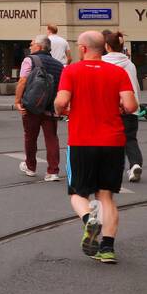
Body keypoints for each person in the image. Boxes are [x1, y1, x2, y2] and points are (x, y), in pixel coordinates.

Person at [54, 31, 137, 264]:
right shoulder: (118, 72)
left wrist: (62, 110)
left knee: (77, 192)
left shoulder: (71, 71)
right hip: (113, 141)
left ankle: (89, 219)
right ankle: (108, 248)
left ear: (82, 49)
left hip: (82, 140)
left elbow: (61, 102)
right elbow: (131, 106)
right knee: (106, 196)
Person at [14, 34, 64, 181]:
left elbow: (23, 81)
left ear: (40, 46)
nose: (30, 46)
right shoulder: (58, 64)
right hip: (50, 107)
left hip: (31, 106)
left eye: (32, 44)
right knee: (52, 138)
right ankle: (53, 171)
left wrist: (18, 101)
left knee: (30, 137)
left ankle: (30, 166)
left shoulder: (30, 60)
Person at [102, 30, 143, 184]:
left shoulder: (102, 62)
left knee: (108, 140)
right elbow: (136, 86)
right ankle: (135, 164)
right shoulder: (130, 64)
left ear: (106, 46)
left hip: (109, 109)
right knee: (130, 139)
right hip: (130, 107)